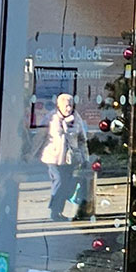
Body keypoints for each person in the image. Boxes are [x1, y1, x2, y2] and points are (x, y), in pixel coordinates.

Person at [40, 93, 91, 221]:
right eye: (66, 106)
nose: (69, 108)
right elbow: (40, 136)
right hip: (53, 157)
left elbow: (82, 140)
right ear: (59, 106)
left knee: (67, 185)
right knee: (59, 181)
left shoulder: (76, 118)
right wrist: (29, 153)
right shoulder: (51, 117)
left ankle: (59, 211)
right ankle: (54, 210)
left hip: (71, 158)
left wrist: (85, 157)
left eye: (71, 105)